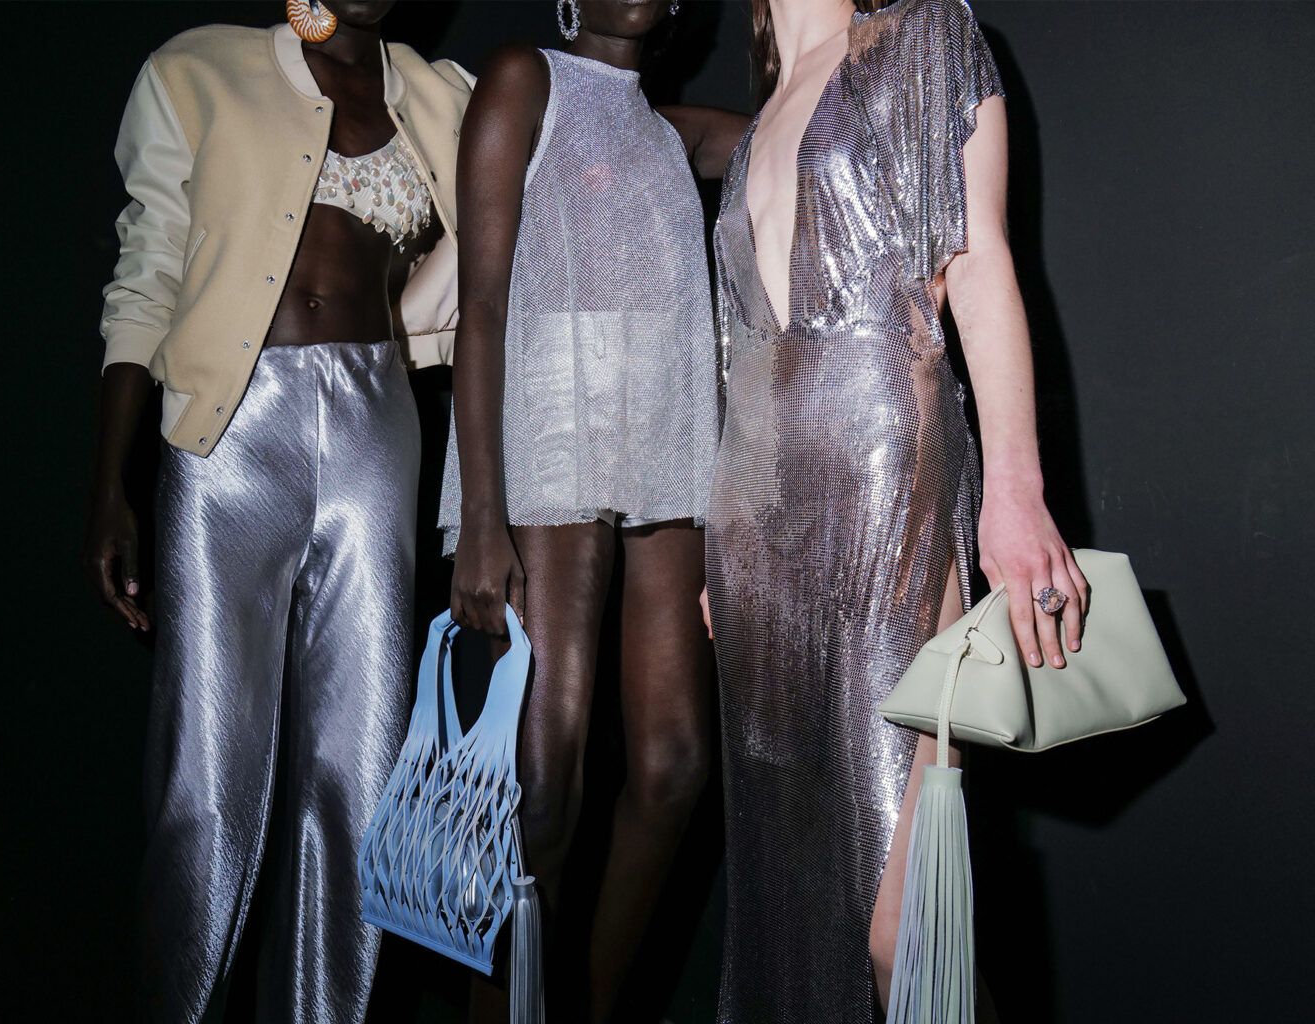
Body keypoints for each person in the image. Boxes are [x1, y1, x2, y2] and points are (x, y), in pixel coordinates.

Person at [81, 2, 472, 1020]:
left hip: (377, 433)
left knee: (360, 771)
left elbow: (498, 253)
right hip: (228, 437)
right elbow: (147, 272)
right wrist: (112, 483)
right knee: (205, 780)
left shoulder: (442, 94)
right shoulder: (195, 70)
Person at [703, 0, 1088, 1019]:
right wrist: (724, 528)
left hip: (895, 492)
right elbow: (743, 359)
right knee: (799, 900)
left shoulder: (927, 36)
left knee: (908, 932)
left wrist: (1014, 486)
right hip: (756, 542)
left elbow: (981, 261)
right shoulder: (764, 114)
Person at [441, 1, 744, 1019]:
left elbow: (806, 128)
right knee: (541, 783)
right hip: (551, 432)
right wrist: (484, 515)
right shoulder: (525, 78)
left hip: (667, 436)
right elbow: (479, 303)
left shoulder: (675, 130)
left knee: (674, 763)